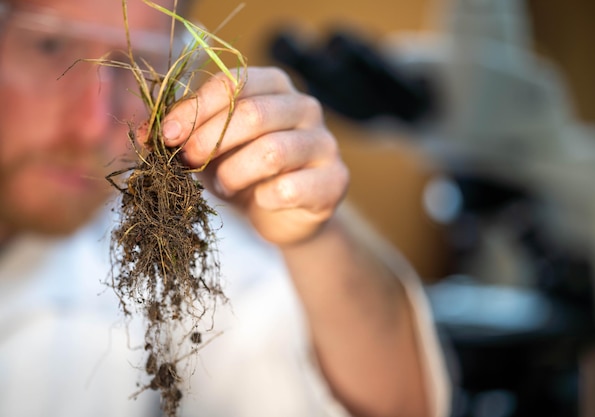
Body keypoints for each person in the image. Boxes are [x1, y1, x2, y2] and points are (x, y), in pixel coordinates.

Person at [0, 0, 450, 416]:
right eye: (49, 46)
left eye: (138, 65)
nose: (93, 125)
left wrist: (314, 236)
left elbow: (400, 404)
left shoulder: (157, 235)